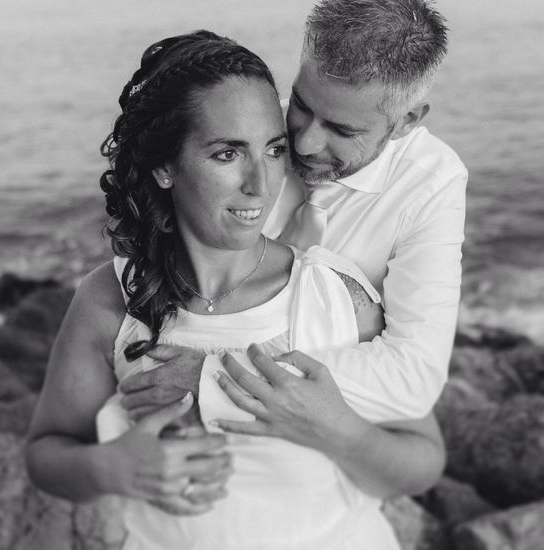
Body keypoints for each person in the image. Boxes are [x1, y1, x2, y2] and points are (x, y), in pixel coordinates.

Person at [25, 31, 444, 550]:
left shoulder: (336, 295)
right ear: (164, 166)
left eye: (273, 150)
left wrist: (332, 429)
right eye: (227, 154)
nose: (260, 184)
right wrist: (110, 468)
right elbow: (47, 454)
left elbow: (421, 463)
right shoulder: (111, 299)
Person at [121, 0, 467, 451]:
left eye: (342, 130)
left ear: (407, 121)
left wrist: (214, 376)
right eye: (301, 105)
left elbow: (411, 379)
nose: (303, 142)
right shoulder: (245, 135)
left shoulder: (431, 184)